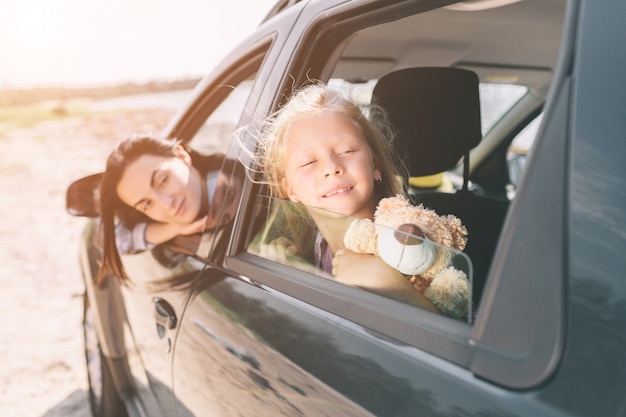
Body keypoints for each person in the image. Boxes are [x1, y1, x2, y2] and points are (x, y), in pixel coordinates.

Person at [255, 83, 440, 313]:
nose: (332, 168)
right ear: (290, 190)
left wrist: (394, 287)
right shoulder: (318, 245)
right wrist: (288, 265)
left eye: (347, 151)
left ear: (375, 164)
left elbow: (466, 327)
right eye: (309, 162)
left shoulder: (412, 240)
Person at [97, 135, 225, 286]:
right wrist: (175, 227)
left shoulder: (241, 182)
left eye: (163, 181)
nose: (166, 204)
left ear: (181, 156)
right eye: (147, 204)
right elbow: (118, 240)